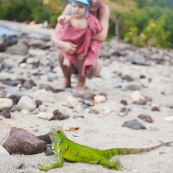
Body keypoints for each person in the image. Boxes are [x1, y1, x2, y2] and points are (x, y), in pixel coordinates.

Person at [51, 0, 110, 90]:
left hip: (86, 55)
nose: (94, 1)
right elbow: (55, 34)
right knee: (62, 50)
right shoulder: (73, 6)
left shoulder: (103, 9)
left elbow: (102, 36)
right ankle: (66, 79)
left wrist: (80, 35)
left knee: (87, 57)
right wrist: (62, 44)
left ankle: (81, 81)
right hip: (70, 54)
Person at [57, 0, 103, 77]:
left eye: (80, 7)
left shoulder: (88, 19)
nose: (77, 9)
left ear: (85, 9)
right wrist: (61, 19)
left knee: (82, 55)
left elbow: (97, 28)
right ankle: (67, 74)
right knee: (66, 50)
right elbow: (62, 22)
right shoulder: (71, 18)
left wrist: (93, 29)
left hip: (82, 42)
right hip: (71, 40)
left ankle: (82, 79)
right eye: (74, 7)